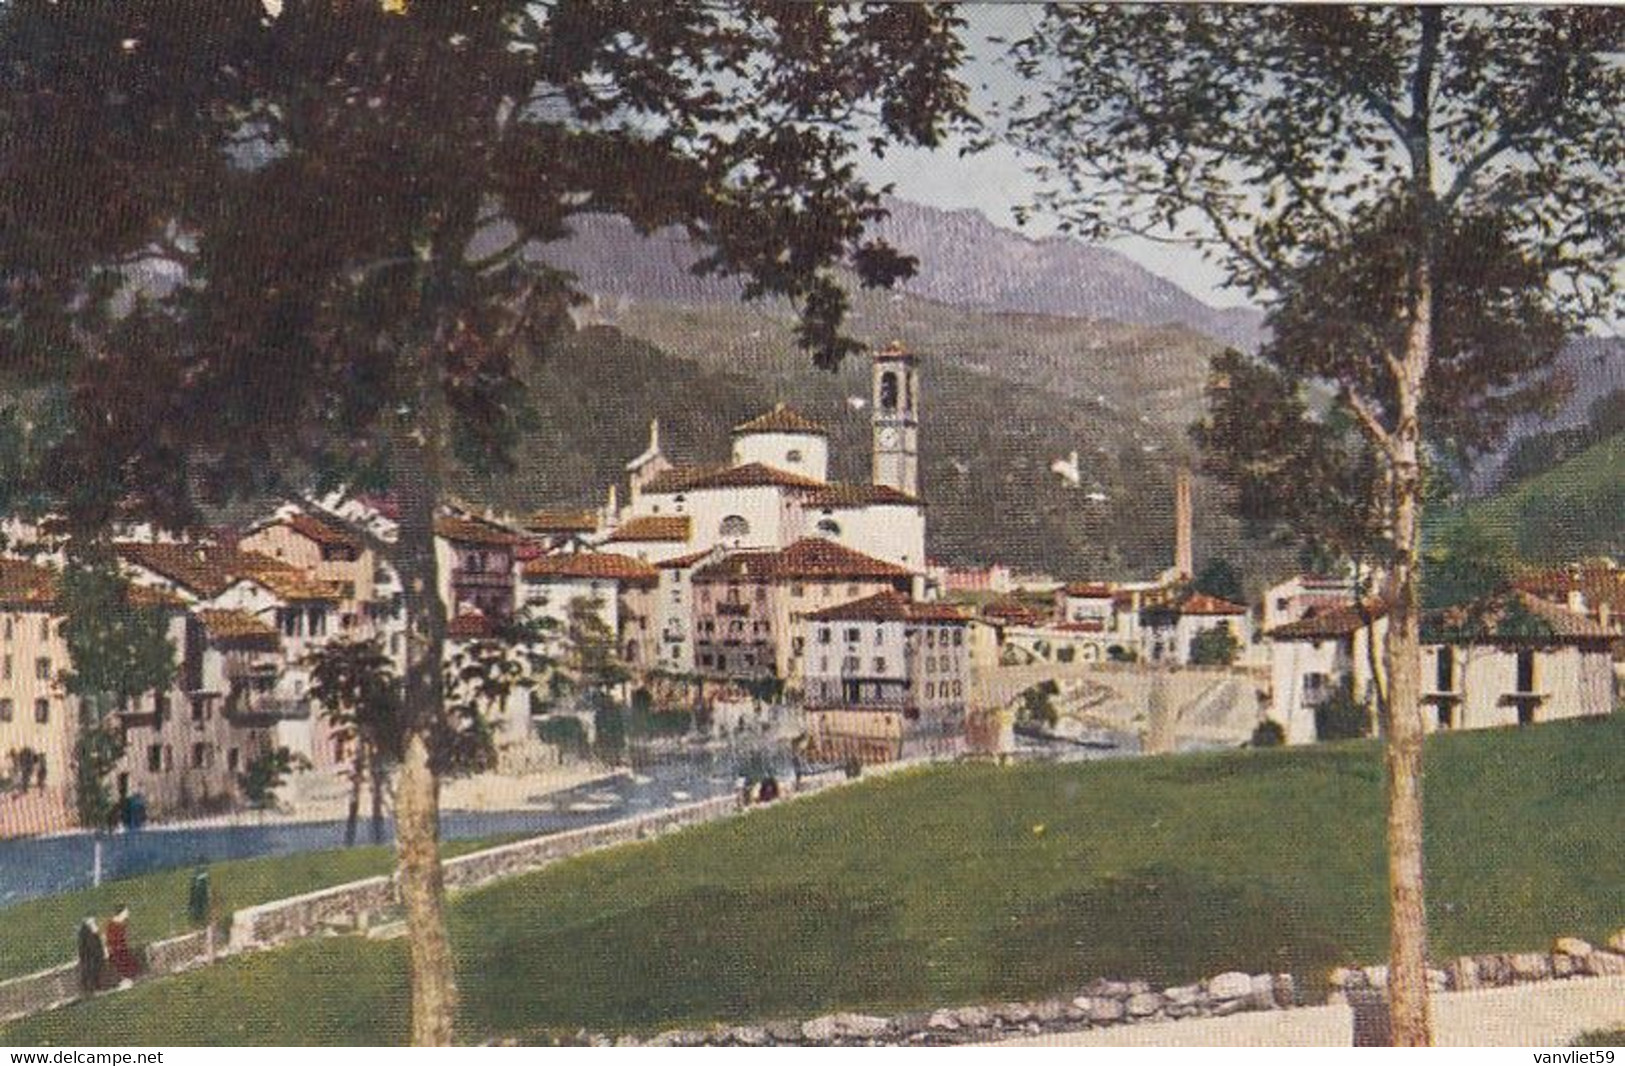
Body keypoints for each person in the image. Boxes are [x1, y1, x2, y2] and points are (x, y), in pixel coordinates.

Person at [104, 905, 141, 985]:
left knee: (131, 964)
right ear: (121, 913)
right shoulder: (113, 925)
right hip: (117, 951)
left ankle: (127, 979)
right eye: (126, 911)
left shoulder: (121, 923)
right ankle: (125, 980)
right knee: (125, 964)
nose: (128, 913)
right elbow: (111, 940)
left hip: (121, 949)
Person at [76, 917, 105, 995]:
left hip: (91, 957)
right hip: (91, 958)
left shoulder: (85, 935)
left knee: (92, 972)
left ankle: (91, 988)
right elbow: (93, 947)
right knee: (92, 972)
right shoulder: (89, 935)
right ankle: (92, 988)